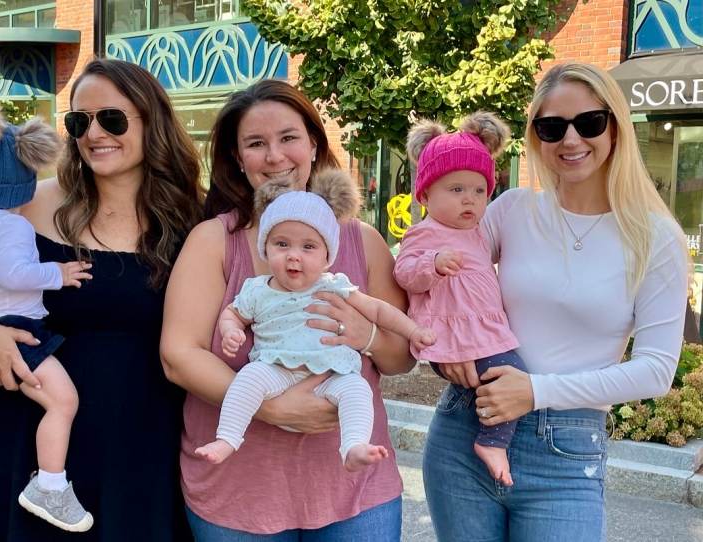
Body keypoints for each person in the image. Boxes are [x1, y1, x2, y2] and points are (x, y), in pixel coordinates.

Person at [0, 58, 203, 541]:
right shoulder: (25, 204)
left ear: (152, 120)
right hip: (19, 446)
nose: (94, 134)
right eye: (79, 122)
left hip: (139, 454)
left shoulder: (194, 217)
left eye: (112, 119)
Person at [422, 62, 687, 541]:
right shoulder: (511, 210)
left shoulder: (654, 237)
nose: (571, 139)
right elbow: (436, 274)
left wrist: (536, 391)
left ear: (615, 127)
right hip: (466, 426)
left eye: (589, 122)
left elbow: (655, 370)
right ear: (536, 136)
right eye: (552, 127)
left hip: (565, 451)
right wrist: (443, 348)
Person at [161, 79, 414, 539]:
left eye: (288, 138)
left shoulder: (362, 241)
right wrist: (272, 407)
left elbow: (401, 359)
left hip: (355, 493)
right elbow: (178, 355)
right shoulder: (214, 241)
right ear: (238, 158)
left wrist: (368, 337)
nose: (275, 156)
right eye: (256, 143)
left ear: (314, 144)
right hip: (238, 494)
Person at [196, 171, 435, 471]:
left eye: (308, 247)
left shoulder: (335, 285)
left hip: (331, 373)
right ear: (265, 248)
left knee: (357, 390)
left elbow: (379, 311)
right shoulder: (258, 290)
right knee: (247, 379)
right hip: (277, 370)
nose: (294, 256)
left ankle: (354, 446)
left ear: (326, 257)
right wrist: (230, 330)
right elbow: (233, 313)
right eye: (282, 244)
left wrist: (413, 330)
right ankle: (228, 438)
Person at [0, 99, 94, 532]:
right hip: (19, 331)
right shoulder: (14, 227)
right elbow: (14, 273)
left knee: (53, 400)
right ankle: (50, 485)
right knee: (63, 401)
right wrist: (58, 273)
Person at [394, 111, 526, 487]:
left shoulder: (479, 232)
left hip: (479, 327)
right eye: (456, 190)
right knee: (511, 373)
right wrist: (433, 264)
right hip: (451, 331)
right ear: (424, 195)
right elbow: (404, 272)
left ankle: (487, 438)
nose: (469, 200)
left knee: (505, 377)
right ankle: (492, 443)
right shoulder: (425, 232)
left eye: (479, 191)